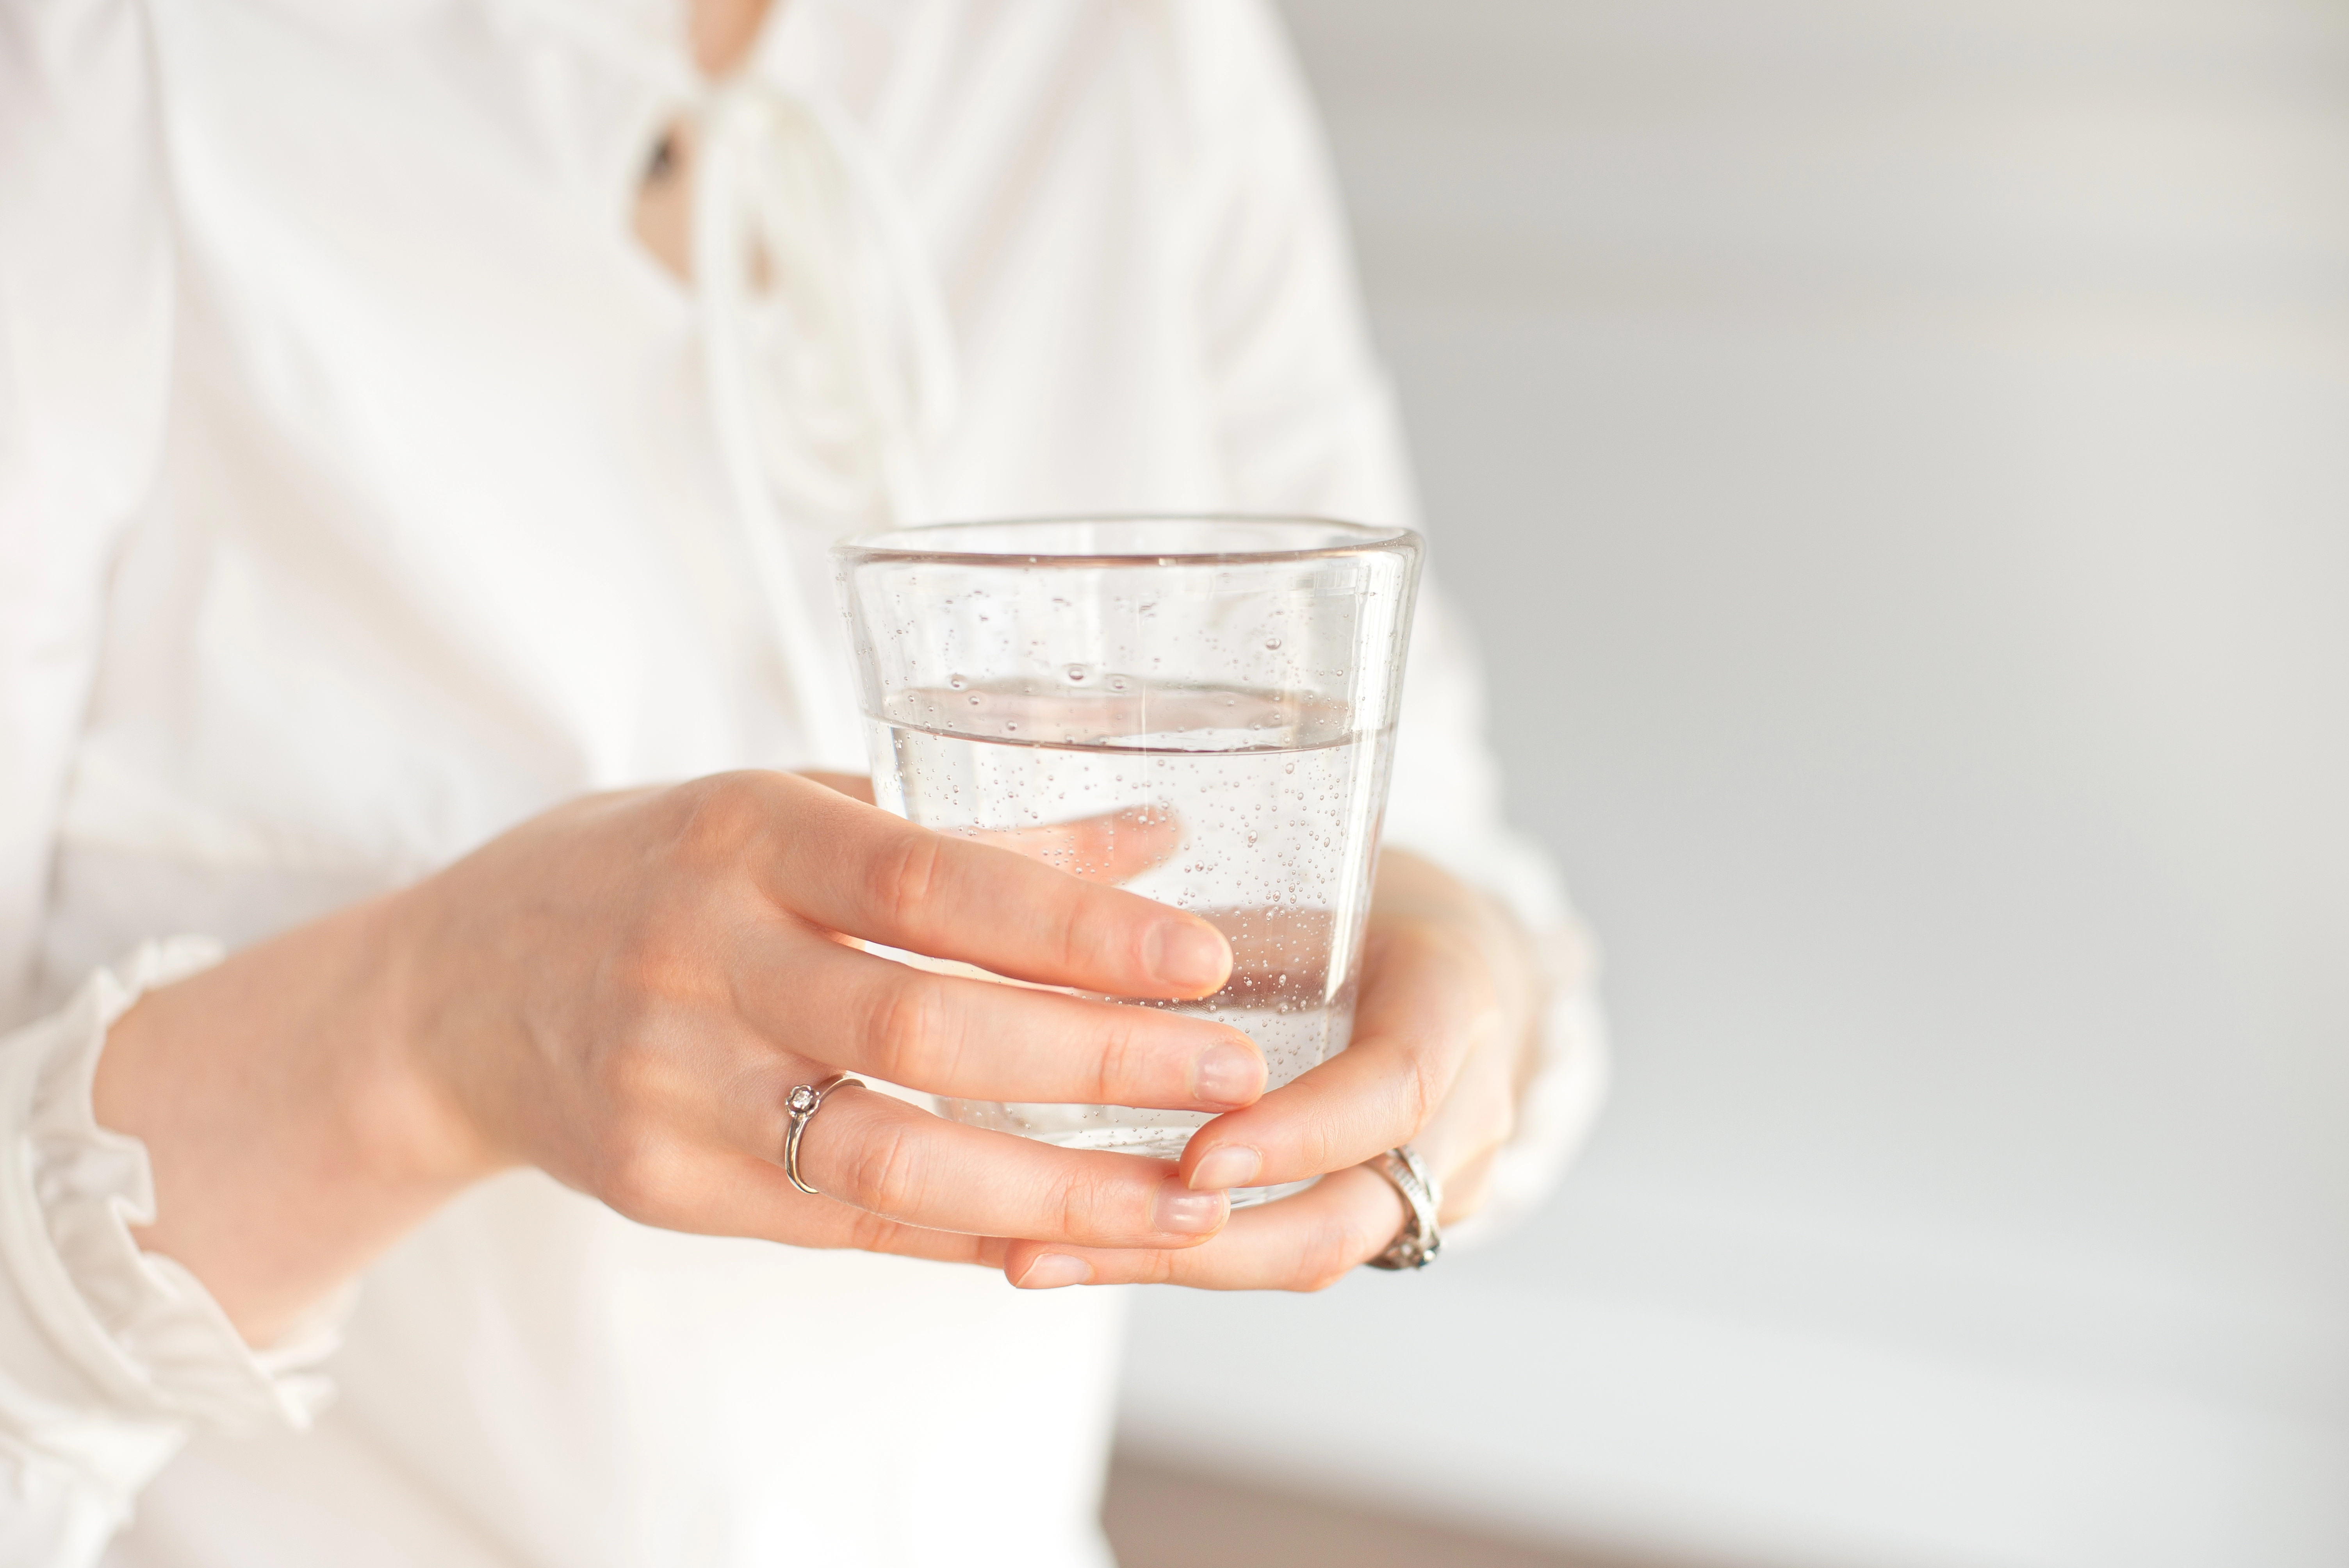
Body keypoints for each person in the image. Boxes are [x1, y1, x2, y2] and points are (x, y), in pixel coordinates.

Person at [0, 0, 1608, 1562]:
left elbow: (1450, 880)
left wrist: (1447, 987)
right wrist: (434, 1028)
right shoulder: (94, 64)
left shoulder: (1134, 44)